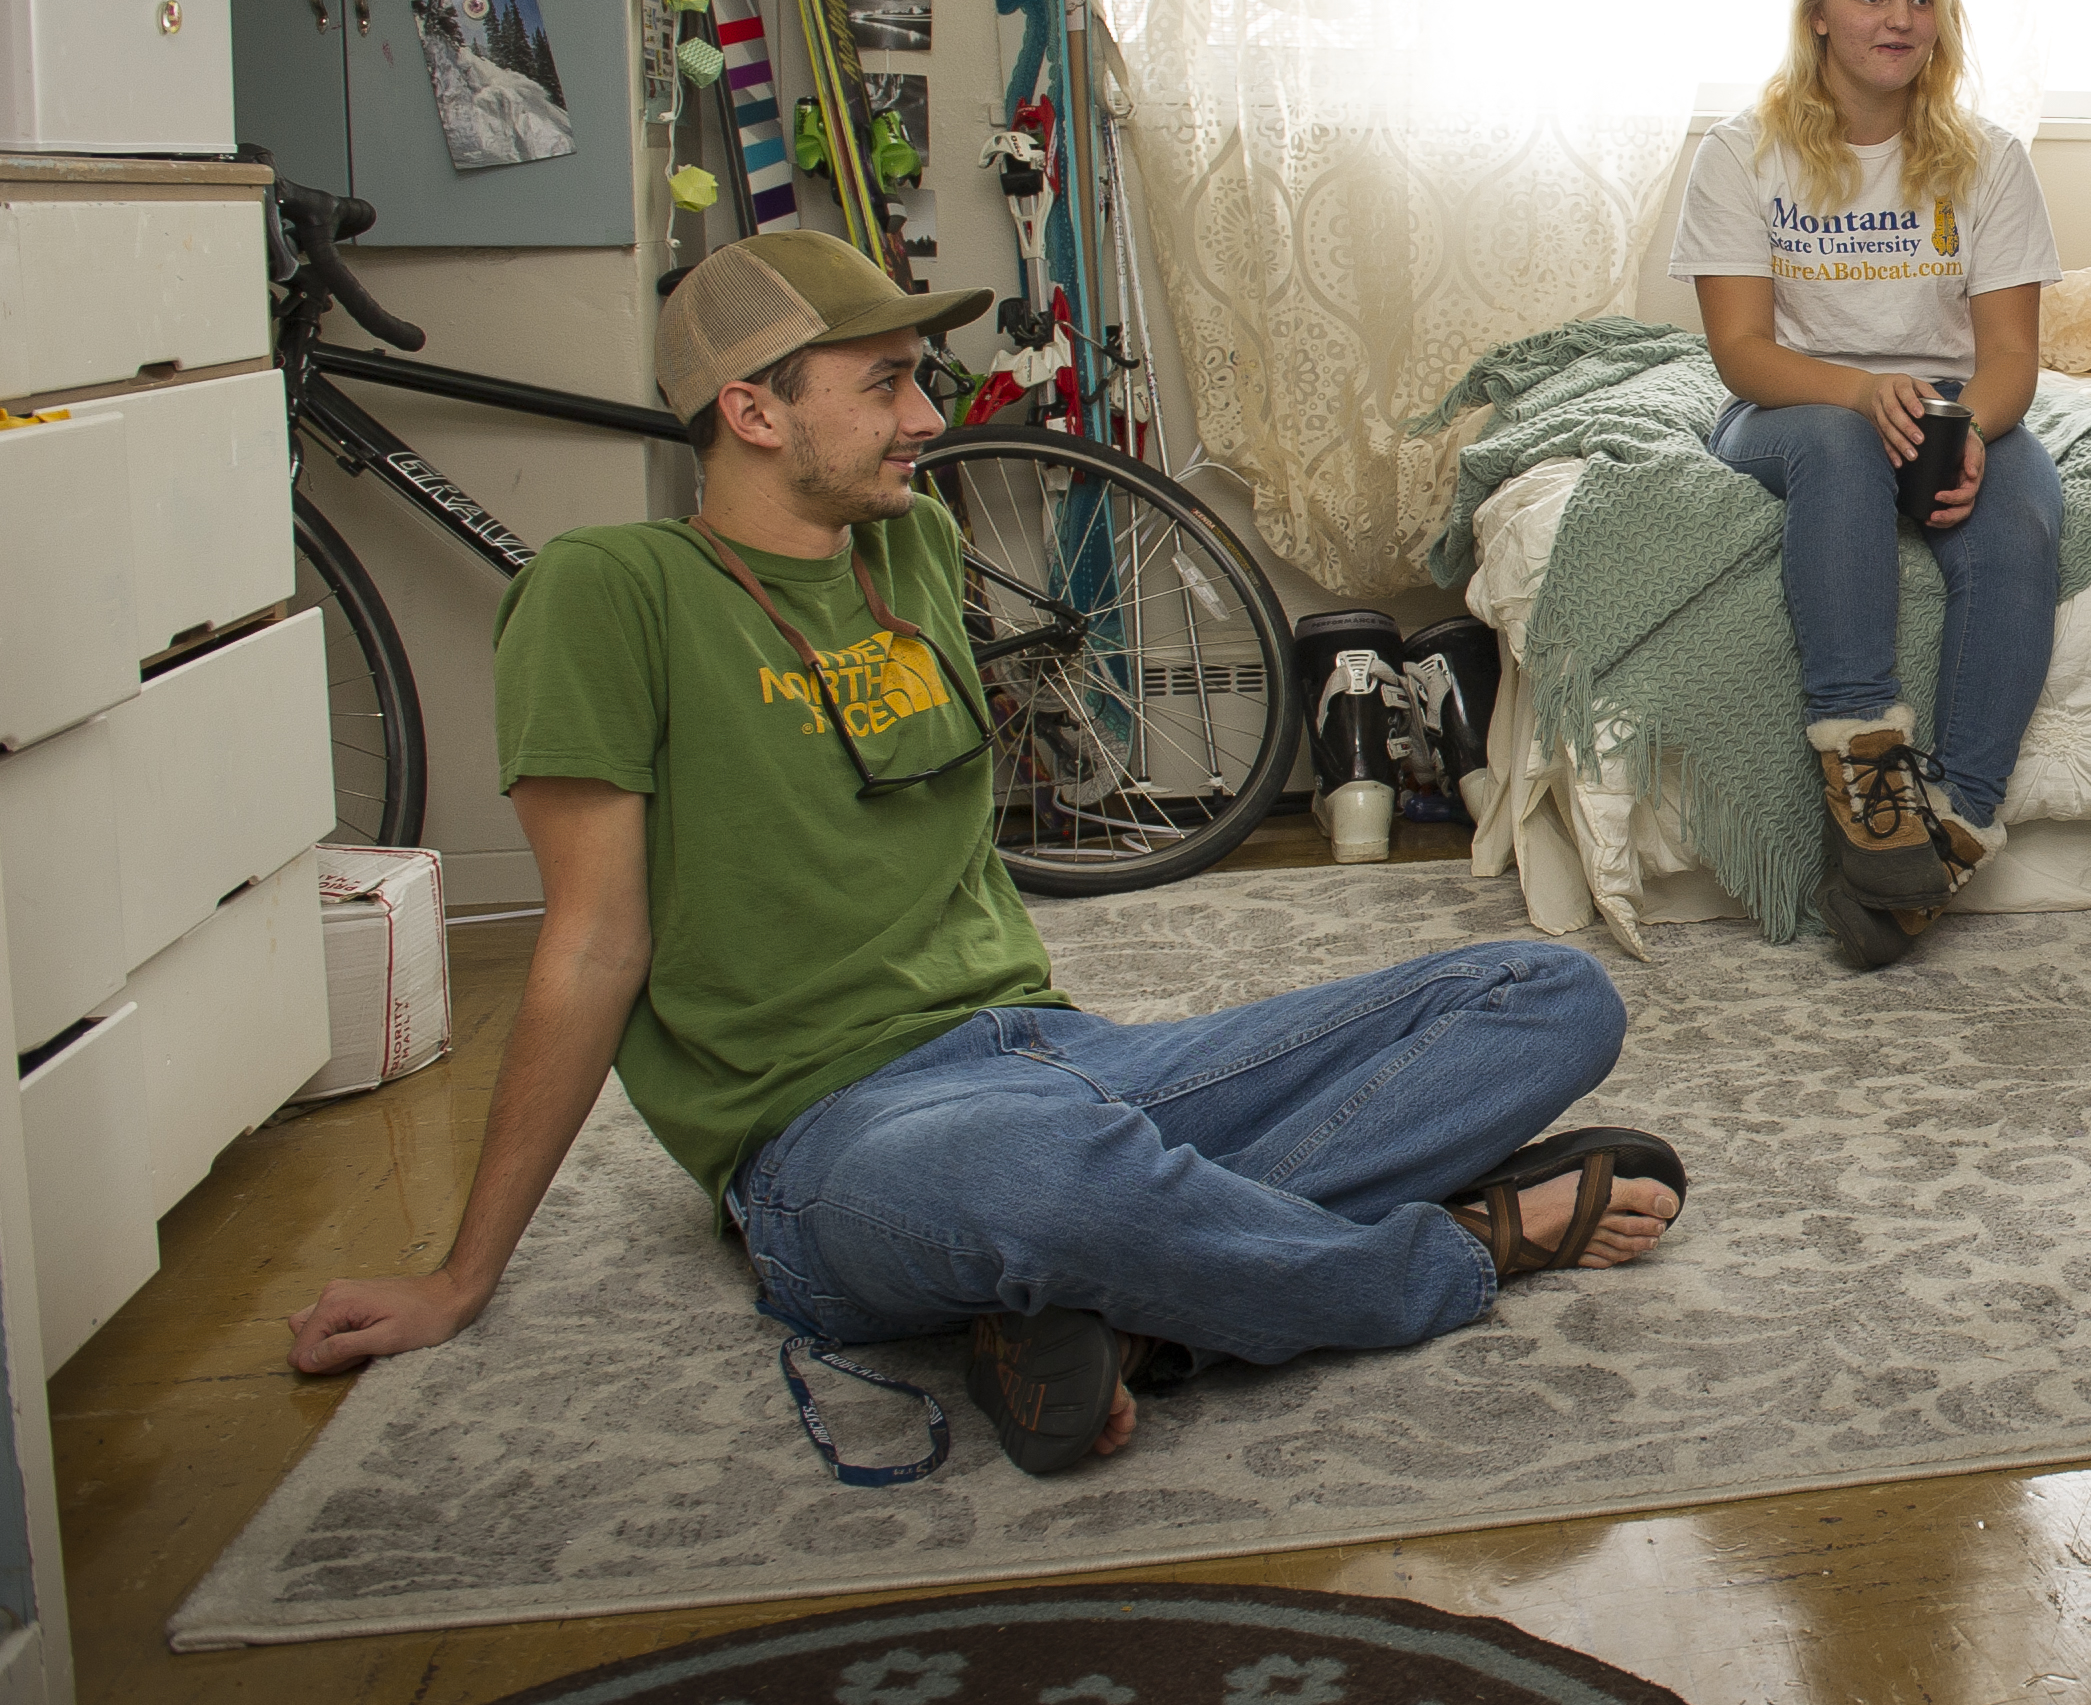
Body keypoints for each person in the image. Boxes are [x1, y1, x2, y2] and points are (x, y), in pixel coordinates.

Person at [284, 229, 1687, 1478]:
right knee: (1038, 1180)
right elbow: (590, 944)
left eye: (921, 377)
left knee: (1548, 997)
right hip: (835, 1136)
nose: (925, 416)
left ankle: (1121, 1307)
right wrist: (463, 1276)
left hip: (1056, 1057)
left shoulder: (909, 550)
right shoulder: (603, 597)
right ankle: (1458, 1249)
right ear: (753, 409)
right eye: (884, 384)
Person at [1673, 0, 2066, 967]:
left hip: (1947, 404)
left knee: (2022, 527)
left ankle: (1944, 837)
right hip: (1795, 403)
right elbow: (1741, 352)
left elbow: (2010, 359)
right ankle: (1865, 767)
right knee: (1841, 448)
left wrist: (1970, 430)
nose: (1900, 20)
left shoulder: (1989, 160)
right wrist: (1858, 394)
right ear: (1816, 17)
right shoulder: (1739, 154)